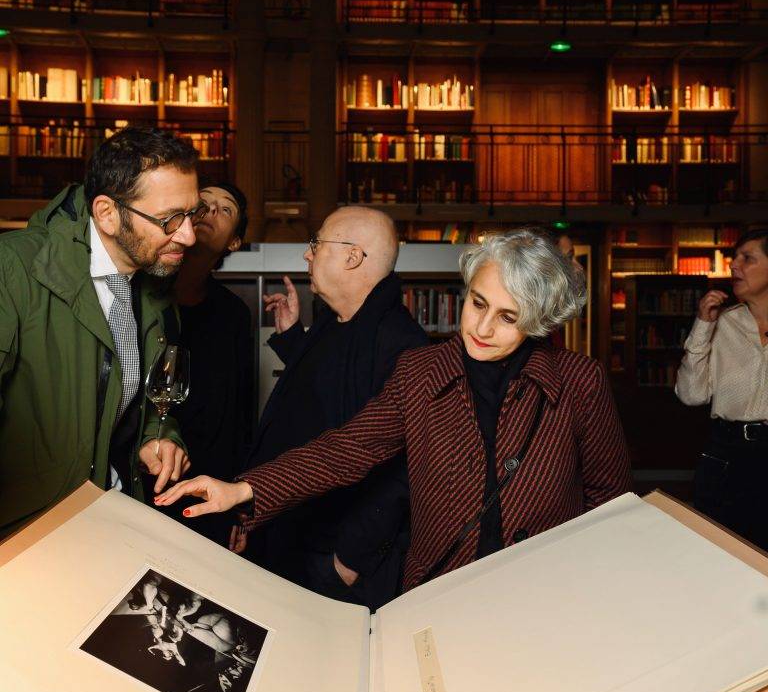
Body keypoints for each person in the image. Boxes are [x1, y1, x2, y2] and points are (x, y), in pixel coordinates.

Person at [157, 227, 632, 592]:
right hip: (441, 589)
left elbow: (608, 499)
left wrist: (585, 582)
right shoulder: (421, 371)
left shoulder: (579, 381)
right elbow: (346, 449)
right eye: (477, 303)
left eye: (508, 317)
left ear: (538, 321)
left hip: (544, 589)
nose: (482, 328)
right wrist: (244, 489)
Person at [0, 126, 201, 536]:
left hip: (108, 516)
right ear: (107, 213)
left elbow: (136, 400)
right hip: (29, 535)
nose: (189, 235)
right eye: (170, 220)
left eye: (192, 214)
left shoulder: (155, 283)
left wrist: (158, 435)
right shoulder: (12, 269)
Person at [235, 204, 427, 606]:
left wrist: (349, 560)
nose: (307, 254)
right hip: (286, 530)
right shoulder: (333, 320)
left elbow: (404, 467)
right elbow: (325, 395)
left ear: (352, 256)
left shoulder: (403, 344)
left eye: (316, 243)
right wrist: (294, 339)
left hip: (331, 555)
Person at [152, 182, 252, 545]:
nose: (210, 212)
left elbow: (239, 415)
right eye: (203, 204)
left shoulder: (234, 314)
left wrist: (240, 505)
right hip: (141, 477)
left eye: (225, 209)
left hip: (206, 487)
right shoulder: (141, 295)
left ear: (234, 242)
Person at [676, 229, 768, 552]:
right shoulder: (724, 323)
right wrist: (703, 324)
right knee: (722, 552)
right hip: (727, 454)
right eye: (734, 258)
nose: (734, 266)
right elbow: (691, 394)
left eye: (747, 258)